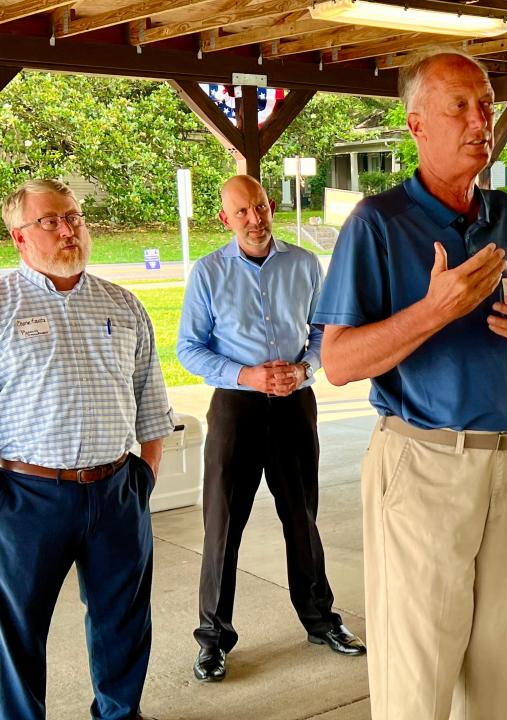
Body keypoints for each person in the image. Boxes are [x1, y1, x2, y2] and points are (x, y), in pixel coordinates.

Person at [316, 48, 507, 720]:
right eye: (462, 105)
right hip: (422, 465)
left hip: (506, 464)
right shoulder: (379, 223)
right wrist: (434, 311)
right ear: (417, 123)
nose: (482, 119)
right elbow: (337, 362)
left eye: (487, 103)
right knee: (416, 676)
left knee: (495, 670)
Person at [177, 175, 365, 683]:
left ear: (271, 205)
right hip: (236, 407)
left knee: (303, 518)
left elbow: (327, 331)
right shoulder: (208, 272)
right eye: (242, 212)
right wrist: (247, 374)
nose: (256, 219)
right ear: (225, 219)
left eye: (260, 207)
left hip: (294, 405)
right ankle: (213, 640)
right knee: (223, 527)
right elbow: (189, 348)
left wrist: (304, 369)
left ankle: (321, 621)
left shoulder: (304, 263)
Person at [0, 179, 174, 720]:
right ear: (19, 238)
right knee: (16, 630)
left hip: (117, 490)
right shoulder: (3, 303)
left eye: (73, 216)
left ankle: (120, 714)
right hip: (26, 498)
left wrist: (142, 478)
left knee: (122, 618)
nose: (68, 229)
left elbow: (151, 400)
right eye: (49, 221)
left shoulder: (122, 304)